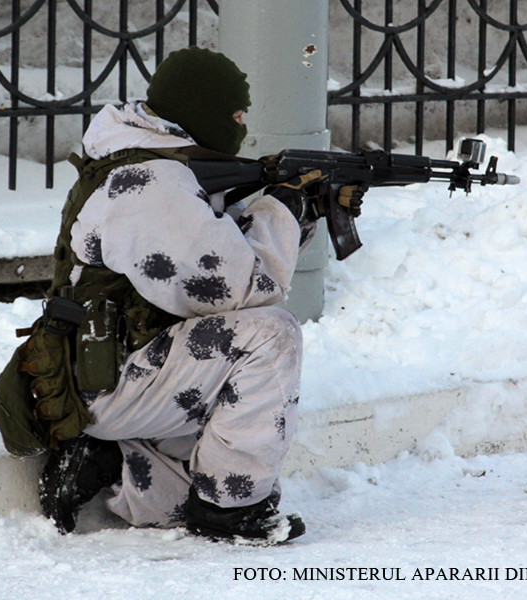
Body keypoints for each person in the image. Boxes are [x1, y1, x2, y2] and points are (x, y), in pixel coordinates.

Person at [37, 47, 335, 544]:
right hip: (103, 382)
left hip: (106, 365)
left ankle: (108, 460)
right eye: (236, 115)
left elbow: (216, 255)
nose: (243, 126)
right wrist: (283, 208)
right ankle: (231, 510)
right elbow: (238, 289)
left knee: (184, 493)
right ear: (202, 110)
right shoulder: (151, 183)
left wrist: (299, 213)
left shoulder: (150, 163)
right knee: (270, 336)